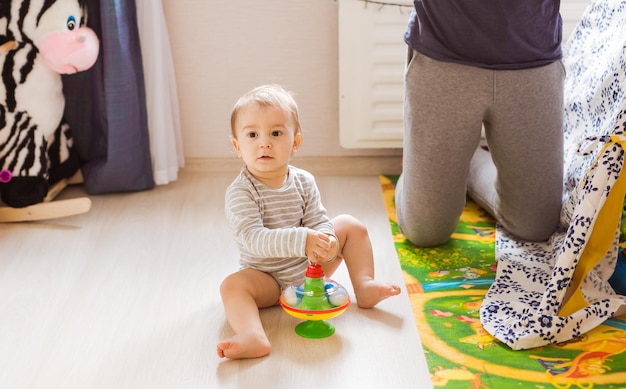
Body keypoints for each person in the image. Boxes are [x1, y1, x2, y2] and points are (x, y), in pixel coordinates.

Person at [217, 84, 401, 359]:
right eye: (252, 134)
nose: (264, 142)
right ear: (237, 146)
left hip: (312, 268)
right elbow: (252, 239)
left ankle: (363, 285)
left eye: (276, 133)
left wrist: (325, 239)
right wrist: (304, 240)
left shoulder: (304, 180)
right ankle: (252, 335)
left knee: (349, 225)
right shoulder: (241, 192)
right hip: (267, 278)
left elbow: (318, 219)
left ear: (295, 142)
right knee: (232, 285)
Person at [395, 0, 565, 247]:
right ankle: (423, 175)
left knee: (535, 227)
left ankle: (468, 164)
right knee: (425, 232)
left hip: (533, 59)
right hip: (442, 54)